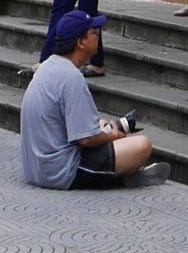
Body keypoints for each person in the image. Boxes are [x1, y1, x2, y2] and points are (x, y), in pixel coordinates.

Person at [20, 11, 155, 190]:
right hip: (61, 171)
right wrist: (114, 135)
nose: (98, 37)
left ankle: (121, 171)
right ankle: (122, 174)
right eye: (94, 33)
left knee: (103, 127)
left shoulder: (47, 67)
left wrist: (102, 128)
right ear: (81, 42)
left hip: (36, 170)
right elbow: (86, 139)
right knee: (142, 145)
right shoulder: (72, 77)